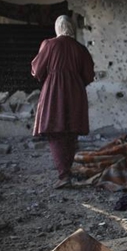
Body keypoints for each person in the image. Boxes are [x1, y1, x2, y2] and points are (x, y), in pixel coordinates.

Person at [32, 15, 95, 189]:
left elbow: (37, 70)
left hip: (54, 91)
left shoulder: (49, 44)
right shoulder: (80, 49)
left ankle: (64, 174)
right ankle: (66, 169)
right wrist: (74, 81)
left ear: (57, 28)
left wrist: (53, 76)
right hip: (76, 91)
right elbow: (89, 75)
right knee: (71, 130)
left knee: (55, 130)